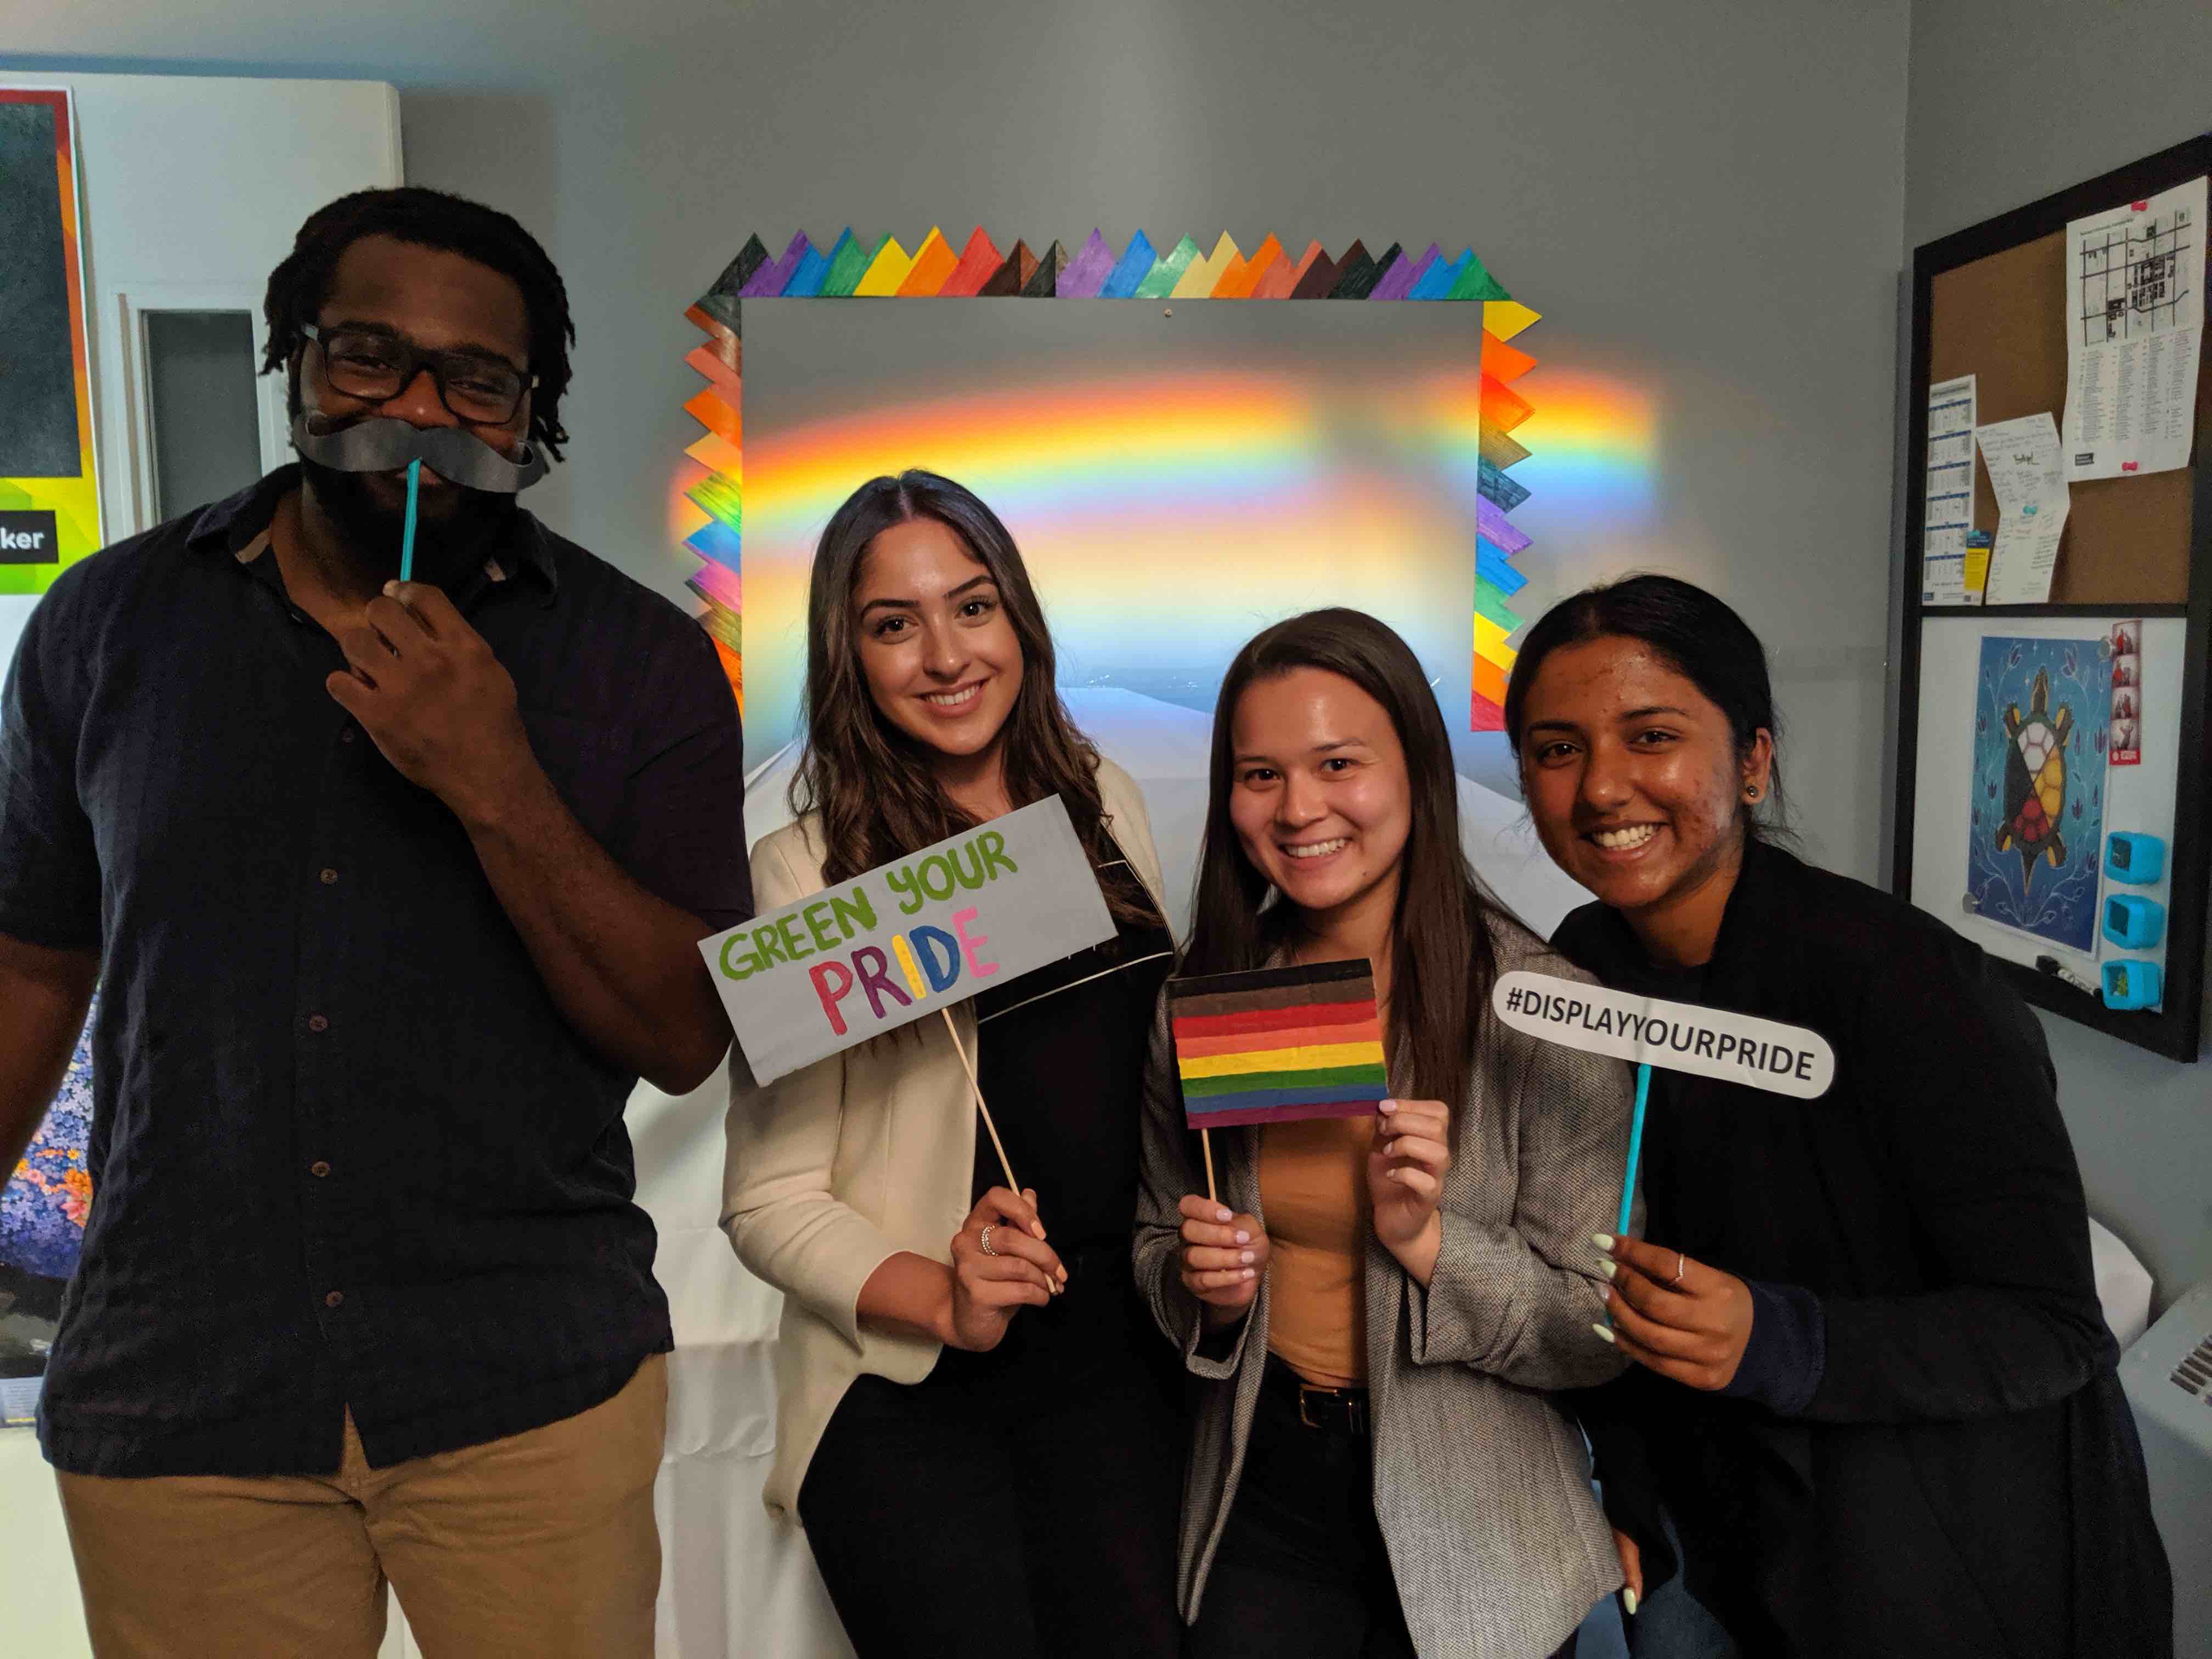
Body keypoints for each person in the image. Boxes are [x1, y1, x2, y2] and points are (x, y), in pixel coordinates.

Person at [0, 187, 753, 1658]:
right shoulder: (106, 627)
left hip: (526, 1387)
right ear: (294, 364)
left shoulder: (641, 665)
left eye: (478, 380)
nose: (417, 411)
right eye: (367, 356)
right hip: (187, 1387)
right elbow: (31, 956)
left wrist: (496, 781)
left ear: (532, 418)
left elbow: (678, 1035)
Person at [1505, 574, 2172, 1658]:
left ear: (1755, 761)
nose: (1601, 789)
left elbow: (2049, 1327)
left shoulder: (1907, 987)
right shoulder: (1581, 966)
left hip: (1945, 1563)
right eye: (1556, 748)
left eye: (1653, 736)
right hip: (1717, 1544)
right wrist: (1619, 1487)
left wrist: (1777, 1338)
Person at [720, 471, 1184, 1657]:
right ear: (849, 656)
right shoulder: (804, 875)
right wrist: (944, 1299)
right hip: (912, 1393)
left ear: (1018, 618)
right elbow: (767, 1201)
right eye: (894, 624)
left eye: (972, 607)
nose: (944, 655)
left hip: (1122, 1368)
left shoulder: (1107, 803)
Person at [1132, 608, 1633, 1659]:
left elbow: (1598, 1330)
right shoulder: (1208, 996)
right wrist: (1203, 1288)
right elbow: (1150, 1243)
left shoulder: (1544, 1009)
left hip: (1482, 1513)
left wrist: (1429, 1243)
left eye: (1338, 764)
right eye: (1260, 774)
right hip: (1260, 1495)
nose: (1299, 807)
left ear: (1417, 768)